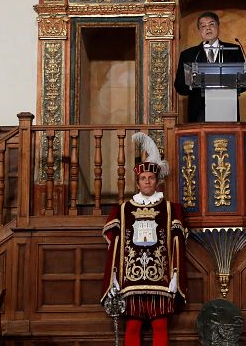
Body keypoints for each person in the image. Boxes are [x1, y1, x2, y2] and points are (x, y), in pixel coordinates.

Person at [101, 132, 187, 346]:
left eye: (151, 178)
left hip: (161, 280)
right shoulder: (123, 209)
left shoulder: (169, 209)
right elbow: (115, 244)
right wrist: (114, 277)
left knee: (160, 327)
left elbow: (177, 243)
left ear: (157, 182)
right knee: (132, 327)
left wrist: (175, 274)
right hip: (131, 281)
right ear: (137, 182)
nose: (147, 182)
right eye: (143, 179)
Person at [173, 11, 245, 123]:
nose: (208, 28)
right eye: (203, 26)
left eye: (211, 24)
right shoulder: (188, 54)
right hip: (199, 111)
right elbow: (179, 86)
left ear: (218, 26)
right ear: (199, 31)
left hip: (228, 109)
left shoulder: (233, 50)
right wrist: (192, 82)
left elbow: (244, 82)